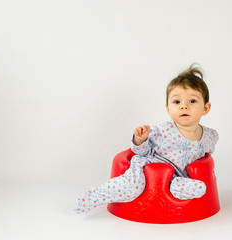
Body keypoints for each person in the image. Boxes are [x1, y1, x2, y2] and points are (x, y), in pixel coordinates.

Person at [74, 63, 219, 214]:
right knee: (132, 188)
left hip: (176, 178)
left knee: (200, 188)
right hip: (148, 168)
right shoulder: (163, 130)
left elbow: (207, 156)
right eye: (177, 102)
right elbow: (142, 151)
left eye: (192, 101)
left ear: (206, 108)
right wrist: (140, 140)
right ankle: (95, 195)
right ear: (168, 109)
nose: (184, 106)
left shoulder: (209, 136)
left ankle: (171, 188)